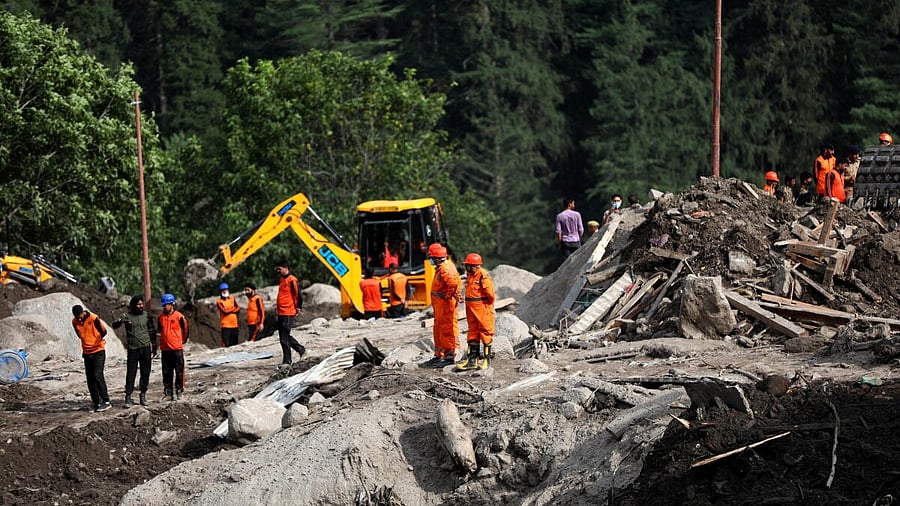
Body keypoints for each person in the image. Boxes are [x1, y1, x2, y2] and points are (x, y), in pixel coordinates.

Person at [420, 243, 460, 368]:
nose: (430, 260)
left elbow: (453, 285)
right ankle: (439, 355)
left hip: (445, 306)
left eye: (431, 258)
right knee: (439, 330)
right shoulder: (444, 267)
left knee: (446, 330)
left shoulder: (445, 269)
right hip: (440, 306)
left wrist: (447, 296)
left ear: (437, 258)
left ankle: (449, 356)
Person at [112, 295, 156, 407]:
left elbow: (152, 331)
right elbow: (114, 325)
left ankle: (143, 395)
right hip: (133, 349)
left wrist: (154, 346)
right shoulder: (127, 316)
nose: (141, 306)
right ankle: (128, 397)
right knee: (131, 373)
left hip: (145, 348)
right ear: (133, 305)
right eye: (138, 304)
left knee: (145, 372)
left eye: (142, 304)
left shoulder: (147, 316)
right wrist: (121, 321)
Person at [456, 253, 496, 371]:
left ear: (474, 266)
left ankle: (486, 361)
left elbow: (491, 295)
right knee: (473, 332)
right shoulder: (470, 275)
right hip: (471, 308)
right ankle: (472, 360)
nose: (466, 267)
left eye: (468, 265)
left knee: (485, 332)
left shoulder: (483, 276)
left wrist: (486, 306)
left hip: (482, 308)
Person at [71, 305, 111, 412]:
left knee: (98, 375)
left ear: (83, 312)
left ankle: (106, 401)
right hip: (87, 352)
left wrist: (95, 340)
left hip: (98, 350)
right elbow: (79, 335)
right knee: (90, 378)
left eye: (80, 315)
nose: (79, 318)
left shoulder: (93, 318)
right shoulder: (74, 322)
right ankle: (96, 402)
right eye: (76, 316)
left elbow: (104, 331)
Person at [157, 293, 188, 401]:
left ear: (171, 304)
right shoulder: (160, 317)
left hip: (176, 349)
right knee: (166, 372)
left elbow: (186, 329)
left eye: (166, 305)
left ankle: (179, 391)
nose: (164, 307)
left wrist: (181, 341)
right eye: (163, 305)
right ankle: (168, 393)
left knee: (179, 371)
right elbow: (159, 330)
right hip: (165, 349)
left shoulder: (179, 316)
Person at [275, 260, 306, 365]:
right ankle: (300, 350)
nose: (278, 271)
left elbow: (298, 294)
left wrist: (298, 307)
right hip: (281, 311)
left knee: (284, 336)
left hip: (288, 311)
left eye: (279, 269)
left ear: (285, 268)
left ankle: (287, 360)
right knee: (283, 336)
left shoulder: (292, 280)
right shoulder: (282, 279)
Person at [216, 282, 240, 347]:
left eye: (226, 289)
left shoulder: (232, 298)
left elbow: (238, 308)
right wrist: (233, 309)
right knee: (226, 345)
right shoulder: (219, 302)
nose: (224, 291)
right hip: (226, 326)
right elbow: (224, 311)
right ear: (220, 291)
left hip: (234, 325)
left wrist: (229, 309)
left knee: (235, 344)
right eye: (223, 290)